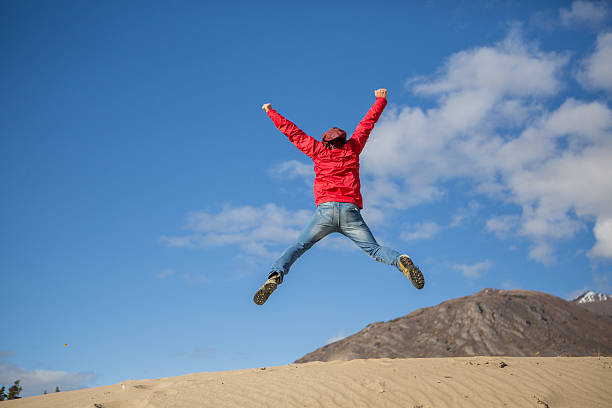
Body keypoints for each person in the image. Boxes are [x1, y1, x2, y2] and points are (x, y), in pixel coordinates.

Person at [254, 88, 424, 305]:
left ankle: (275, 275)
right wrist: (381, 100)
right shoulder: (352, 149)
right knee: (375, 250)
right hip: (350, 211)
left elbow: (293, 133)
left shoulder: (317, 150)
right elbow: (367, 123)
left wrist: (270, 112)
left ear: (325, 141)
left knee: (298, 246)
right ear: (344, 139)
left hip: (324, 212)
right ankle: (401, 260)